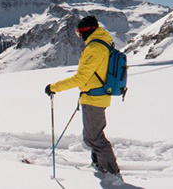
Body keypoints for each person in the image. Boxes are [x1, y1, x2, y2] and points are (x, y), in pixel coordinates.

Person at [45, 15, 122, 182]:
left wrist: (54, 87)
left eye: (80, 32)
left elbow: (80, 78)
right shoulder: (100, 43)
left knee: (94, 137)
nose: (79, 36)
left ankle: (112, 172)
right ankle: (100, 164)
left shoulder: (94, 48)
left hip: (94, 98)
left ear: (88, 31)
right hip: (93, 96)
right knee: (90, 136)